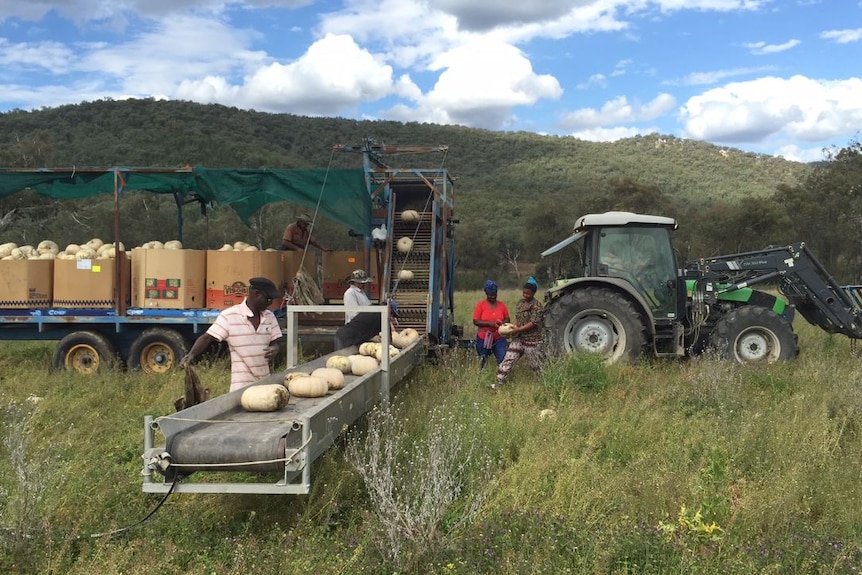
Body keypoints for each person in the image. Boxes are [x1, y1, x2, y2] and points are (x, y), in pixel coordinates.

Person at [179, 277, 282, 393]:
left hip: (264, 384)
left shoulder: (269, 317)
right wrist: (191, 355)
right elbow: (207, 337)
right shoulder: (229, 316)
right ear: (257, 294)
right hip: (241, 387)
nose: (270, 303)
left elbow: (275, 344)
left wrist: (275, 349)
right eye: (268, 299)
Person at [492, 277, 544, 389]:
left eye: (528, 294)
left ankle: (544, 385)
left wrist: (518, 330)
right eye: (524, 293)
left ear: (533, 293)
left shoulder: (537, 306)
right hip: (519, 338)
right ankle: (498, 383)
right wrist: (510, 327)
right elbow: (518, 319)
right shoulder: (520, 303)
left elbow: (533, 323)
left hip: (531, 339)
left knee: (535, 364)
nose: (525, 295)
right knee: (508, 359)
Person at [334, 269, 398, 349]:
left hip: (362, 330)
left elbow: (370, 308)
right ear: (355, 282)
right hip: (354, 331)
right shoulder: (350, 293)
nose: (363, 284)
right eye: (361, 283)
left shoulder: (361, 293)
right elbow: (353, 313)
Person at [472, 279, 510, 369]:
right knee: (483, 360)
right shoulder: (480, 305)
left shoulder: (502, 305)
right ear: (486, 294)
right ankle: (482, 376)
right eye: (490, 295)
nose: (493, 297)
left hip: (499, 337)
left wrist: (501, 323)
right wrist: (490, 324)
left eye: (494, 294)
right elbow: (476, 321)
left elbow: (507, 318)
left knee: (503, 358)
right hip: (484, 338)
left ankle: (502, 376)